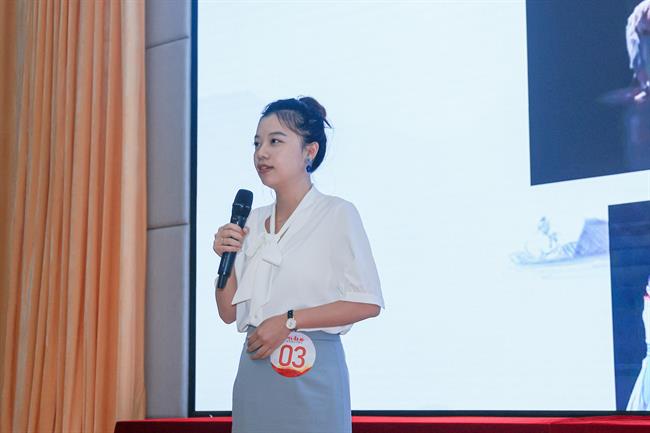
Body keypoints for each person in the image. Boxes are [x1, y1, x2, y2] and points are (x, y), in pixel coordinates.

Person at [212, 96, 385, 433]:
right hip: (255, 371)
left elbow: (367, 302)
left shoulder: (337, 214)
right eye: (257, 143)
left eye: (275, 141)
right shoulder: (250, 221)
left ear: (310, 151)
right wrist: (226, 258)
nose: (262, 153)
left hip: (313, 371)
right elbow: (228, 312)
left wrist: (289, 321)